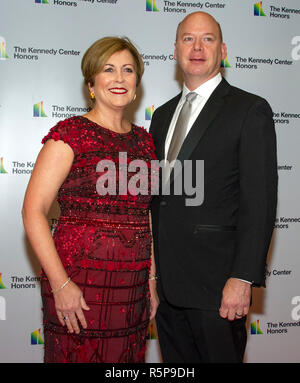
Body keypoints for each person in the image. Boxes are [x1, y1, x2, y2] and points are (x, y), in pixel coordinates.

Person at [149, 12, 277, 363]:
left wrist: (242, 278)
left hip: (219, 290)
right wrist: (152, 277)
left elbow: (260, 202)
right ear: (175, 50)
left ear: (223, 50)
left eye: (208, 39)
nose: (197, 47)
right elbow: (158, 201)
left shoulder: (249, 110)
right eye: (188, 38)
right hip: (168, 292)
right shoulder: (161, 116)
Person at [22, 36, 159, 363]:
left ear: (136, 84)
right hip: (79, 285)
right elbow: (33, 212)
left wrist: (151, 279)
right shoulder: (69, 135)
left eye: (128, 70)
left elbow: (144, 215)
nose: (119, 78)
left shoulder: (145, 141)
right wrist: (60, 284)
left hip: (132, 287)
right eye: (109, 69)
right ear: (92, 83)